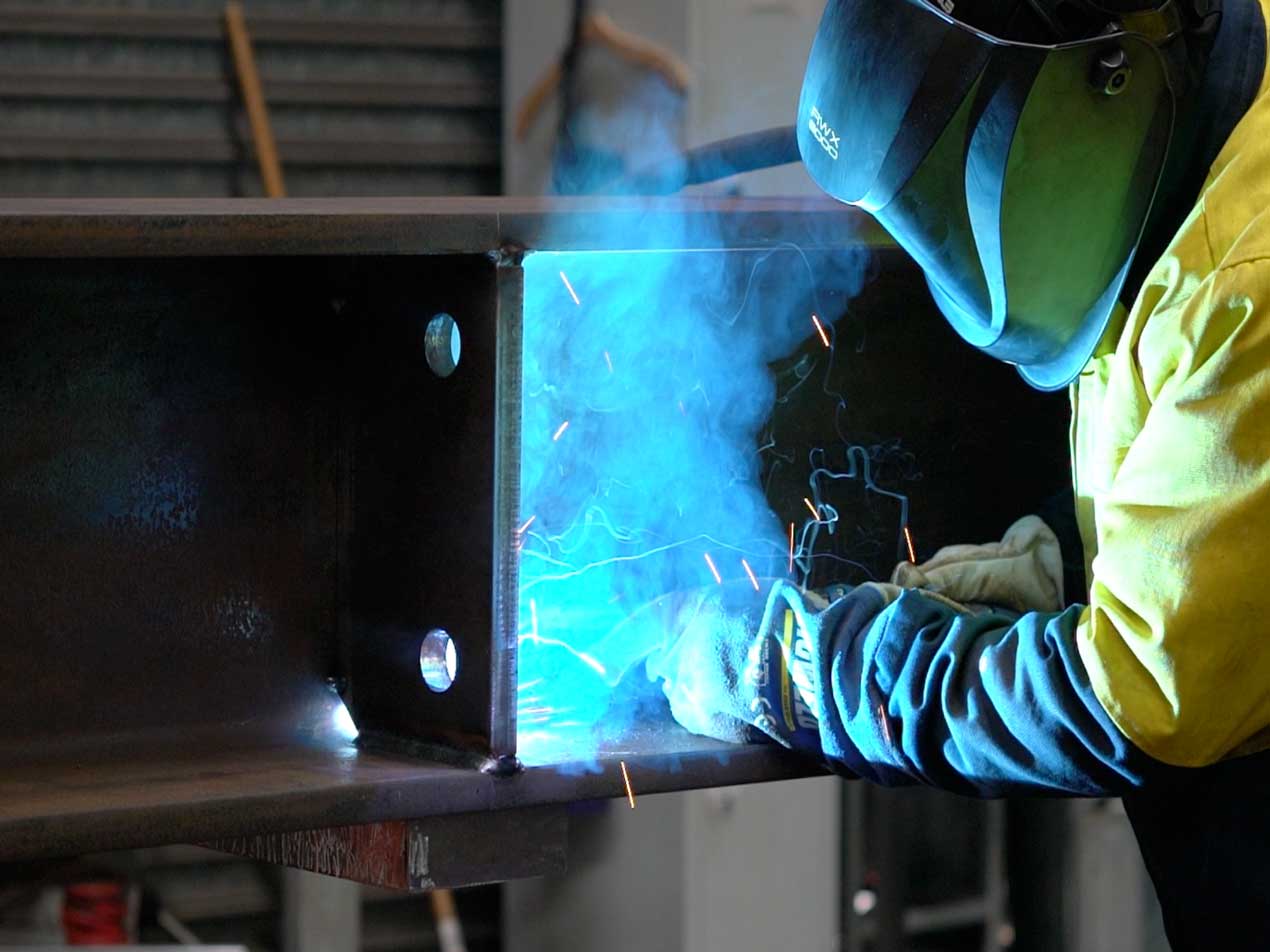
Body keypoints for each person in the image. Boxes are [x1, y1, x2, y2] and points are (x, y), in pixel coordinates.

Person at [647, 0, 1270, 945]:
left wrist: (809, 672)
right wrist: (1068, 565)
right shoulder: (1185, 162)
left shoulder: (1247, 277)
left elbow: (1138, 700)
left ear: (1107, 71)